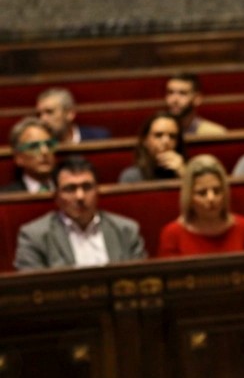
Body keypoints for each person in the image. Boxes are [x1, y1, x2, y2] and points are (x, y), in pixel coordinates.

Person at [14, 155, 147, 270]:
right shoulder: (34, 236)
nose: (80, 196)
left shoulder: (126, 230)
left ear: (98, 191)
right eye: (70, 189)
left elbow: (141, 280)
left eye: (87, 187)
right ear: (56, 196)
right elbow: (32, 290)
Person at [158, 154, 244, 257]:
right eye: (202, 193)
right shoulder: (172, 234)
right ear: (188, 196)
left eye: (217, 191)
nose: (211, 198)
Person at [119, 112, 187, 183]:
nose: (166, 141)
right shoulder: (132, 177)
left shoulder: (186, 170)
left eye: (172, 136)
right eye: (158, 135)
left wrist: (184, 173)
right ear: (145, 140)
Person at [1, 117, 57, 193]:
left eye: (49, 144)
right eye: (34, 146)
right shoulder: (5, 196)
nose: (45, 151)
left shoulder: (71, 188)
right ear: (18, 157)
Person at [36, 87, 111, 143]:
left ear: (70, 113)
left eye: (50, 112)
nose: (42, 119)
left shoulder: (98, 138)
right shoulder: (39, 144)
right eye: (39, 114)